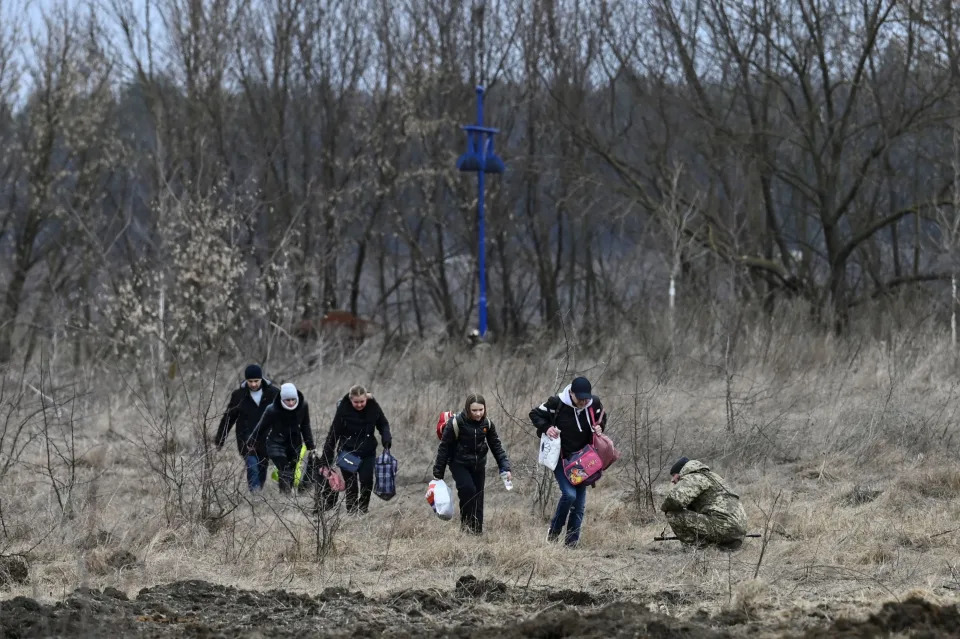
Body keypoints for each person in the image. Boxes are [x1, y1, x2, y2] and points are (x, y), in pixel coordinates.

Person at [529, 376, 607, 547]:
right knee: (569, 495)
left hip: (583, 460)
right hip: (561, 458)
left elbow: (601, 418)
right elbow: (534, 414)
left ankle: (571, 544)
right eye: (579, 398)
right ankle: (554, 531)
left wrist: (600, 427)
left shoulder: (594, 404)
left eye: (586, 398)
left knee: (579, 505)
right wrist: (547, 427)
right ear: (571, 393)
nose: (583, 401)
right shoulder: (556, 403)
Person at [432, 393, 511, 534]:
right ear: (468, 409)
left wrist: (505, 467)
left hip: (478, 465)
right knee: (468, 490)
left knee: (478, 497)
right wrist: (438, 473)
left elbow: (496, 446)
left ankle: (477, 532)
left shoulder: (487, 424)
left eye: (481, 410)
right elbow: (444, 447)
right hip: (459, 463)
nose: (478, 413)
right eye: (474, 410)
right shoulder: (456, 423)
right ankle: (466, 527)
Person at [320, 385, 393, 514]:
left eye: (362, 401)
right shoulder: (343, 410)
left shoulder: (373, 407)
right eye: (356, 402)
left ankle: (363, 510)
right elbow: (333, 434)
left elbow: (383, 424)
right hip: (347, 452)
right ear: (350, 399)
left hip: (367, 452)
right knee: (351, 484)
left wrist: (386, 439)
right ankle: (352, 512)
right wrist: (327, 456)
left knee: (367, 481)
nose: (359, 405)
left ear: (366, 399)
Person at [214, 364, 279, 492]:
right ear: (246, 380)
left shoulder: (273, 393)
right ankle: (254, 494)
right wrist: (220, 440)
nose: (254, 384)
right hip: (245, 436)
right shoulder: (239, 395)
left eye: (256, 381)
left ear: (261, 379)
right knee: (252, 465)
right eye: (250, 381)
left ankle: (258, 492)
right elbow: (228, 418)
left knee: (262, 466)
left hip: (266, 437)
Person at [661, 457, 748, 549]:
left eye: (674, 475)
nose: (672, 480)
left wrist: (663, 508)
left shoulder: (694, 477)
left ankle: (697, 548)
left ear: (681, 472)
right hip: (737, 531)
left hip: (724, 526)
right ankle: (723, 544)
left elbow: (674, 500)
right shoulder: (713, 476)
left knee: (672, 514)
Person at [254, 382, 316, 493]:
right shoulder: (272, 409)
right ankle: (285, 497)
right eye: (288, 400)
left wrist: (310, 446)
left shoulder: (303, 406)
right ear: (282, 399)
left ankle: (287, 496)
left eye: (293, 399)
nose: (291, 403)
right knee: (285, 469)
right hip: (275, 443)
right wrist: (251, 443)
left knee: (291, 472)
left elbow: (305, 426)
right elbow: (260, 428)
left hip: (295, 443)